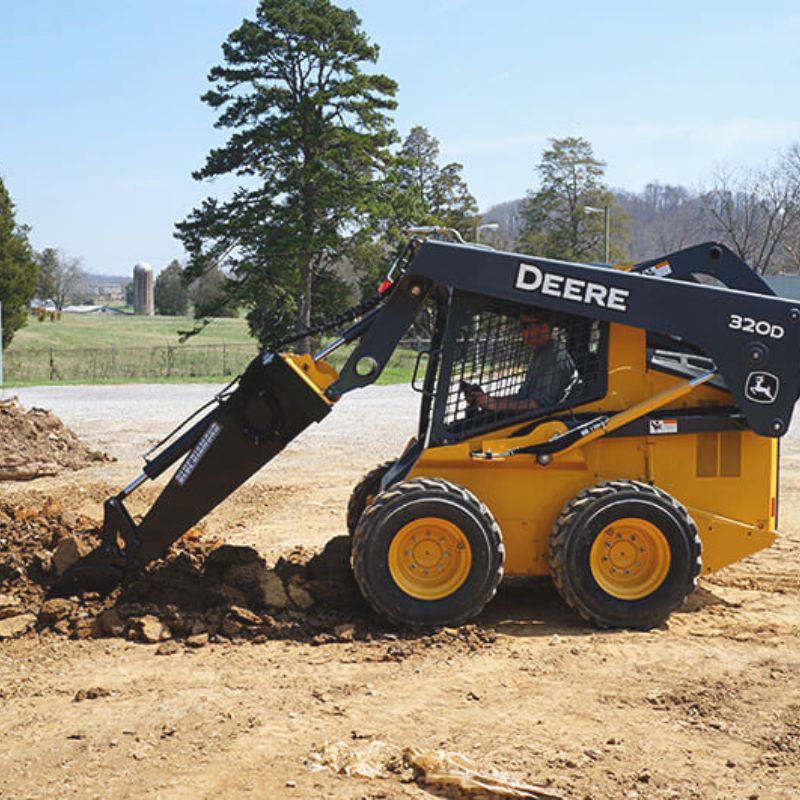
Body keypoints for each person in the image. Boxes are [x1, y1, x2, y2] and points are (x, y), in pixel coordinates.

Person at [465, 310, 578, 413]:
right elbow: (523, 398)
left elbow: (537, 404)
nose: (521, 332)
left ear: (543, 328)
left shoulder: (554, 356)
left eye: (525, 326)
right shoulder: (541, 353)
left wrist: (496, 405)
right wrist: (489, 400)